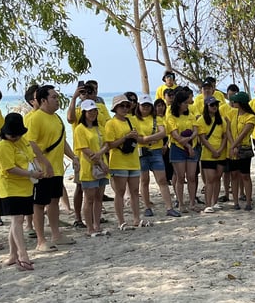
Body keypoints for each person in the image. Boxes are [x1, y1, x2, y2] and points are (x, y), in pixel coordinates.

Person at [0, 113, 44, 270]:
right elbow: (9, 168)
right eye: (12, 135)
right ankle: (23, 255)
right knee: (17, 220)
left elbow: (32, 156)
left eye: (17, 134)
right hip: (10, 187)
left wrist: (37, 167)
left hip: (26, 186)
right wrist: (30, 173)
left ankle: (13, 255)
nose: (14, 138)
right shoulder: (2, 146)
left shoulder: (23, 141)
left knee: (18, 221)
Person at [26, 85, 75, 249]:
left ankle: (56, 234)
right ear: (43, 100)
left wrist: (73, 157)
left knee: (54, 201)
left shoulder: (57, 118)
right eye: (53, 97)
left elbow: (62, 141)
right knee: (39, 204)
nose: (57, 100)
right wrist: (44, 162)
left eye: (57, 97)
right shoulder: (35, 118)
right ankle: (41, 240)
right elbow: (30, 143)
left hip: (57, 168)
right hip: (42, 170)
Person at [105, 94, 144, 229]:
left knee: (134, 190)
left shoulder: (132, 120)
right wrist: (125, 137)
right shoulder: (110, 123)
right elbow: (109, 145)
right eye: (122, 106)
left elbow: (139, 138)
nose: (125, 108)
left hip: (133, 160)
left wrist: (135, 137)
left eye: (127, 105)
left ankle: (136, 218)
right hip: (118, 161)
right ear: (115, 107)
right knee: (120, 191)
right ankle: (121, 221)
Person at [135, 95, 177, 217]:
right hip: (141, 152)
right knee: (144, 180)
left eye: (148, 105)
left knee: (162, 180)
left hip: (155, 152)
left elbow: (163, 133)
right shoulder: (134, 119)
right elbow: (135, 136)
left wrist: (146, 138)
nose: (146, 108)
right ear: (139, 106)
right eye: (143, 105)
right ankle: (147, 207)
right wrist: (148, 139)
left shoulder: (157, 119)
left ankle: (169, 208)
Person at [73, 99, 109, 237]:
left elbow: (106, 144)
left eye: (94, 110)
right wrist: (100, 161)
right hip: (89, 167)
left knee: (99, 197)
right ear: (84, 112)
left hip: (102, 166)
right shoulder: (80, 129)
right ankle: (89, 228)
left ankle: (97, 225)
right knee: (89, 198)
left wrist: (101, 156)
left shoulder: (99, 127)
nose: (92, 113)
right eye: (89, 111)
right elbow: (85, 150)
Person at [166, 89, 200, 213]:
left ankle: (192, 202)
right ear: (179, 103)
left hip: (192, 144)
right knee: (180, 177)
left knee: (191, 176)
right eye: (185, 103)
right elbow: (175, 135)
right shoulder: (171, 117)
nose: (187, 105)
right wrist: (188, 146)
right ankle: (181, 203)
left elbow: (196, 130)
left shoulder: (191, 115)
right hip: (178, 148)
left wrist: (191, 139)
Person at [196, 94, 228, 213]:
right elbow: (203, 138)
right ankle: (208, 204)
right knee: (209, 180)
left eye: (216, 104)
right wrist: (213, 150)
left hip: (221, 153)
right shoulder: (201, 120)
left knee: (217, 178)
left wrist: (220, 150)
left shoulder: (221, 120)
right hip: (208, 154)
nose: (215, 107)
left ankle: (215, 202)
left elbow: (225, 136)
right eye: (212, 105)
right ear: (206, 106)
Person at [227, 91, 255, 211]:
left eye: (235, 101)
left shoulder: (251, 117)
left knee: (245, 175)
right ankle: (235, 202)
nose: (233, 103)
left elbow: (244, 133)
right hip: (233, 148)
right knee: (233, 175)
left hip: (244, 148)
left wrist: (233, 145)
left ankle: (248, 201)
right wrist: (232, 146)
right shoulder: (232, 113)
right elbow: (227, 129)